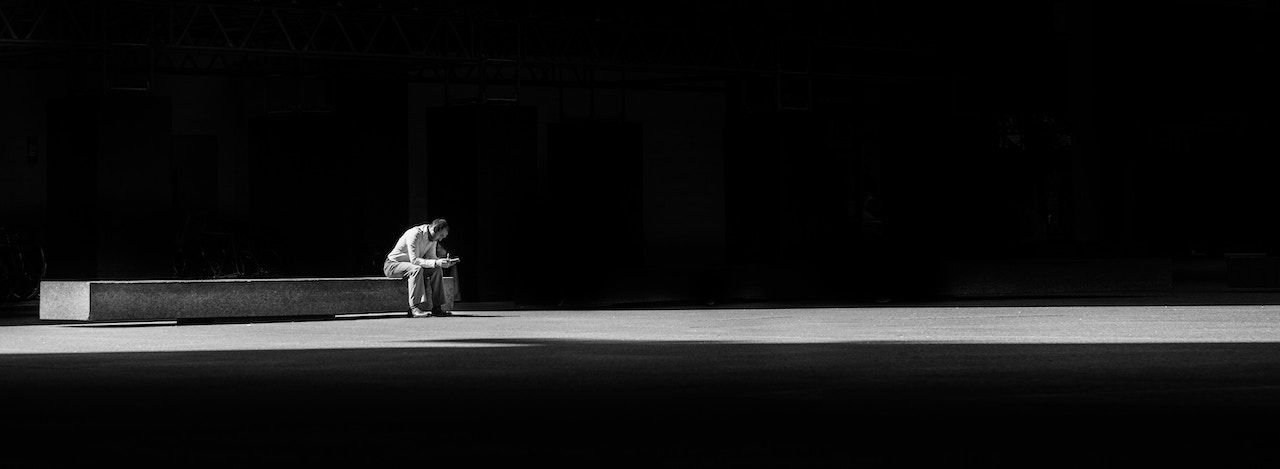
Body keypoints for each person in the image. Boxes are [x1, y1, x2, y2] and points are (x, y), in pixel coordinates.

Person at [384, 218, 458, 317]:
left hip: (410, 266)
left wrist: (442, 262)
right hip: (393, 265)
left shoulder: (433, 238)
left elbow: (431, 258)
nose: (440, 239)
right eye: (440, 236)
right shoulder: (415, 234)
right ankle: (413, 308)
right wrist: (436, 262)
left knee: (437, 270)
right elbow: (414, 260)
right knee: (416, 269)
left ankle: (437, 307)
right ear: (434, 229)